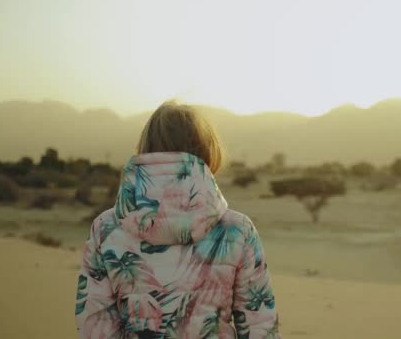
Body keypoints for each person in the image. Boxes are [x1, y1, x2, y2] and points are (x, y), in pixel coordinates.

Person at [74, 101, 280, 338]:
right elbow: (260, 328)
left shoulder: (106, 228)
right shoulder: (237, 230)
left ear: (146, 149)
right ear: (207, 152)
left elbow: (95, 329)